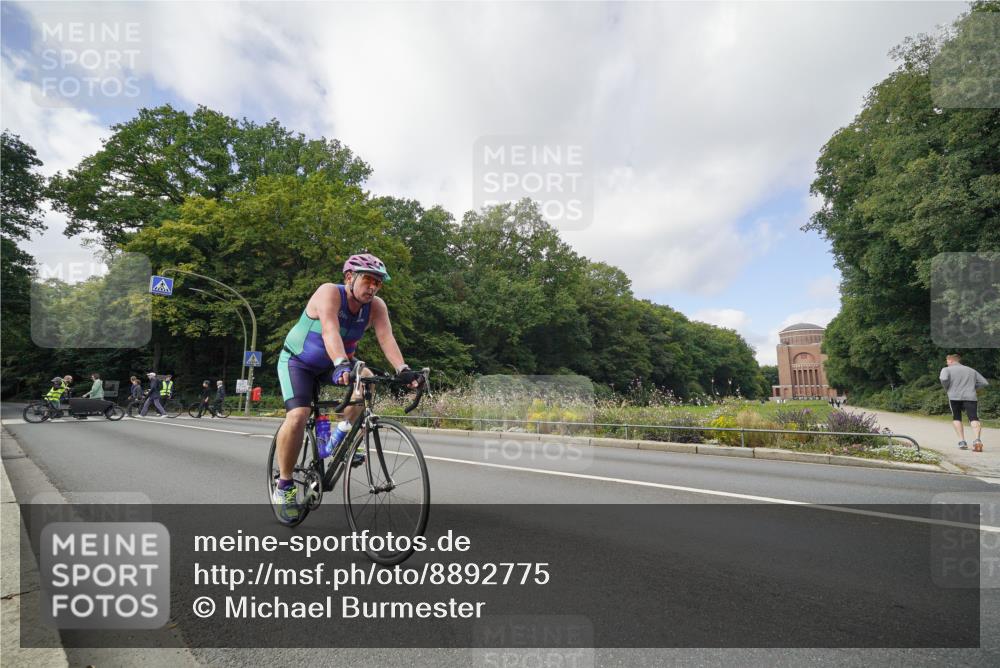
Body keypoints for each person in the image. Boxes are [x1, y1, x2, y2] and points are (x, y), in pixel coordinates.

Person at [271, 252, 423, 524]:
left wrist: (403, 370)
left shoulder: (376, 306)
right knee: (298, 416)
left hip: (337, 362)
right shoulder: (329, 293)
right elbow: (330, 330)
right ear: (349, 277)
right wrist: (341, 363)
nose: (373, 287)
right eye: (368, 280)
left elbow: (386, 338)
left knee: (365, 377)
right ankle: (284, 486)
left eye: (378, 282)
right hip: (299, 361)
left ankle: (343, 432)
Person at [940, 354, 990, 451]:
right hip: (970, 397)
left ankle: (962, 442)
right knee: (973, 418)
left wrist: (947, 388)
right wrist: (973, 388)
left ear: (950, 360)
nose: (946, 363)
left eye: (947, 361)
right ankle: (977, 440)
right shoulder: (971, 370)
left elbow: (943, 379)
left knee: (957, 417)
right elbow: (984, 382)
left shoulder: (946, 369)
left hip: (954, 397)